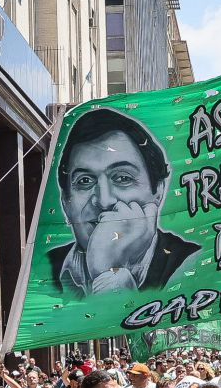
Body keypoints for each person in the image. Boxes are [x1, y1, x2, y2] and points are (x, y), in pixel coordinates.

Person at [49, 107, 198, 296]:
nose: (104, 201)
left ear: (158, 190)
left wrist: (109, 275)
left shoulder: (194, 265)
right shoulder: (41, 270)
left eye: (123, 178)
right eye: (85, 181)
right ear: (65, 202)